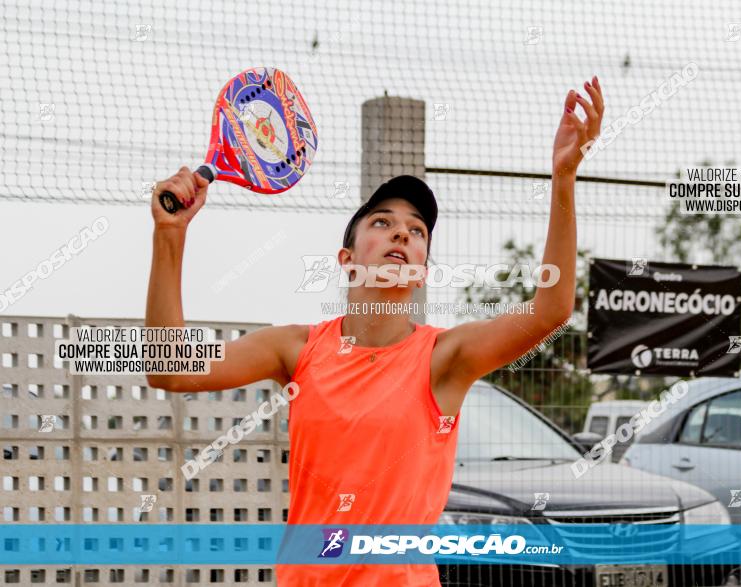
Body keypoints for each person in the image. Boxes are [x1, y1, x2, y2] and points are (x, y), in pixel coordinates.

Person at [145, 78, 604, 586]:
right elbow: (168, 370)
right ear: (347, 259)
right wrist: (171, 235)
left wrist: (563, 179)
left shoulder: (444, 358)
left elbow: (552, 308)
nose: (403, 233)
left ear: (423, 268)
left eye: (417, 231)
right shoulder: (296, 348)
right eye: (383, 222)